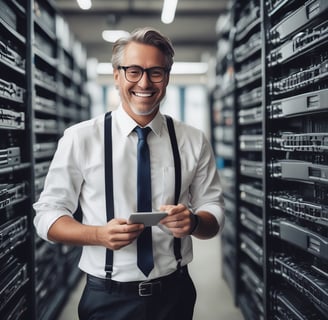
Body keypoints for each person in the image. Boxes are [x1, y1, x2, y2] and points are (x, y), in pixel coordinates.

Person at [33, 27, 225, 320]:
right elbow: (46, 217)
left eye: (155, 72)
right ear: (116, 75)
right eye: (133, 71)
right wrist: (97, 234)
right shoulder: (80, 138)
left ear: (168, 77)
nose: (144, 82)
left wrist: (194, 221)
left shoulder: (193, 140)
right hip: (106, 298)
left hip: (175, 295)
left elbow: (214, 210)